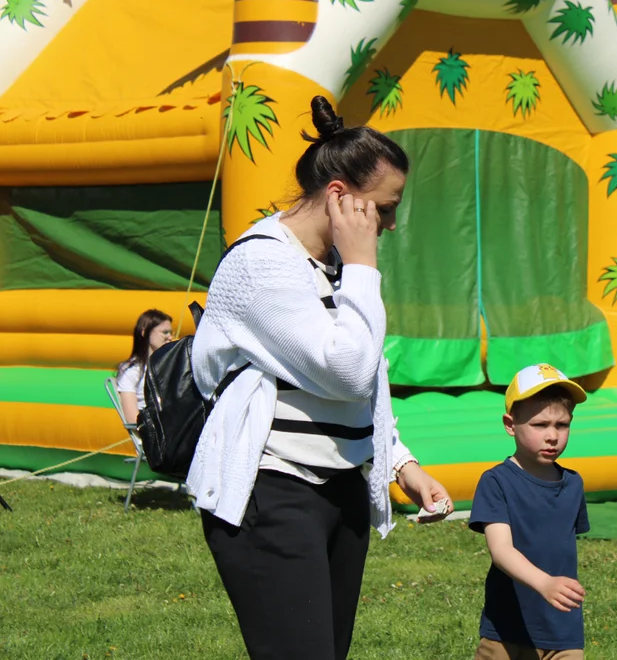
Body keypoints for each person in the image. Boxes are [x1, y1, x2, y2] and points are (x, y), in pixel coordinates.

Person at [188, 95, 453, 660]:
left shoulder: (332, 266)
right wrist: (363, 266)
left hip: (341, 491)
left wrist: (400, 462)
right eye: (385, 207)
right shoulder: (262, 264)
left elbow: (365, 386)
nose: (391, 222)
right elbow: (349, 371)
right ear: (339, 196)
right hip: (273, 491)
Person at [469, 363, 590, 660]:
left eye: (562, 425)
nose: (553, 436)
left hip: (563, 629)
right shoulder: (496, 481)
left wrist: (556, 590)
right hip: (507, 630)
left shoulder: (573, 484)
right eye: (540, 425)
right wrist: (544, 583)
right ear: (510, 424)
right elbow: (501, 551)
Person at [115, 309, 173, 425]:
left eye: (171, 333)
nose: (170, 337)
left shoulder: (170, 365)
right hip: (157, 432)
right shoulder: (132, 371)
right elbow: (133, 420)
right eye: (165, 332)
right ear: (144, 332)